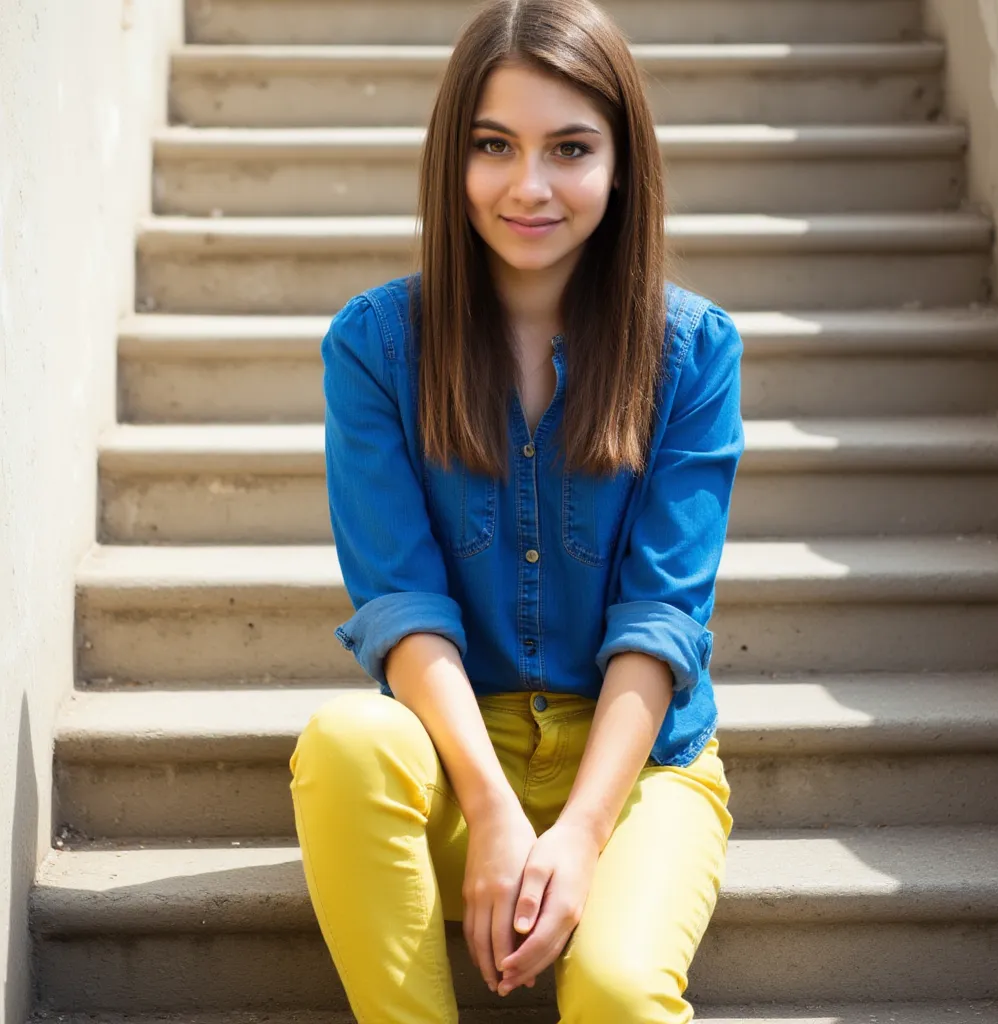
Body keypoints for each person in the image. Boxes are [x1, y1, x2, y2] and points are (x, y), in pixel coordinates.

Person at [288, 0, 744, 1020]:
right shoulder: (373, 349)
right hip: (455, 765)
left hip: (638, 774)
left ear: (622, 165)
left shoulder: (695, 353)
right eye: (493, 146)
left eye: (570, 149)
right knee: (345, 741)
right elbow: (399, 600)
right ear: (453, 161)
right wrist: (491, 806)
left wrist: (580, 832)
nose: (527, 186)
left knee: (621, 993)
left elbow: (661, 617)